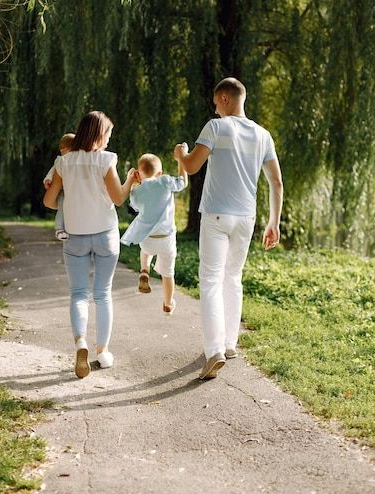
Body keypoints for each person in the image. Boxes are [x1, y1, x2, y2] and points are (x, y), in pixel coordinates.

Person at [174, 77, 283, 381]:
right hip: (246, 219)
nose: (214, 107)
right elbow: (276, 182)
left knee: (209, 280)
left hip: (217, 216)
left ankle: (214, 351)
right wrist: (273, 221)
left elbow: (192, 167)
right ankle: (230, 344)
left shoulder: (216, 127)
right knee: (232, 278)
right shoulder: (263, 135)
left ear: (223, 98)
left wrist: (180, 155)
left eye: (215, 102)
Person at [43, 111, 136, 379]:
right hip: (105, 235)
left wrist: (60, 191)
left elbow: (49, 202)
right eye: (107, 134)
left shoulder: (64, 162)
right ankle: (102, 352)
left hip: (74, 236)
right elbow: (118, 198)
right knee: (103, 294)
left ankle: (80, 342)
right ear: (98, 134)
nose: (108, 140)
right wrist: (130, 178)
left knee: (79, 294)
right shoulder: (105, 159)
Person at [121, 152, 188, 315]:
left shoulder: (137, 190)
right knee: (168, 274)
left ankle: (144, 270)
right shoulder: (164, 181)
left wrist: (134, 185)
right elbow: (183, 182)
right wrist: (181, 160)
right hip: (166, 239)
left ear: (139, 173)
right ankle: (168, 303)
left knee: (145, 251)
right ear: (159, 173)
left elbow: (135, 207)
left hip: (148, 239)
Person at [43, 133, 75, 240]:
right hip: (63, 191)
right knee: (62, 209)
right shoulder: (60, 160)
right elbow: (53, 170)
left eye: (64, 150)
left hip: (73, 191)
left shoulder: (77, 160)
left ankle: (71, 227)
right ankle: (59, 229)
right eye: (62, 151)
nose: (63, 153)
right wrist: (48, 179)